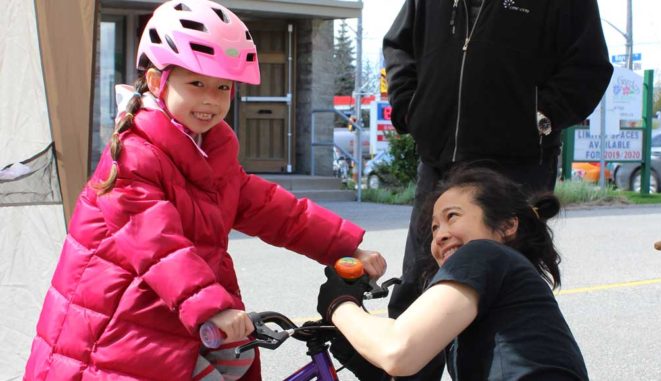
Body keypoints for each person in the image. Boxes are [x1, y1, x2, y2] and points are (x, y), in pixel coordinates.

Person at [23, 1, 386, 380]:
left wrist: (344, 246)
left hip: (169, 316)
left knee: (238, 359)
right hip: (113, 329)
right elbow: (159, 245)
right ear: (155, 82)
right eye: (196, 83)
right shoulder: (132, 155)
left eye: (223, 87)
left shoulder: (209, 151)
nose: (211, 99)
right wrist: (212, 308)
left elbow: (273, 209)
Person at [382, 1, 612, 378]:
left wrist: (540, 117)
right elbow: (398, 45)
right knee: (418, 286)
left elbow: (589, 66)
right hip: (439, 160)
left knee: (498, 294)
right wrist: (410, 107)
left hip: (515, 163)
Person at [317, 165, 588, 380]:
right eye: (434, 228)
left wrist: (339, 302)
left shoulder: (484, 253)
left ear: (507, 226)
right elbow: (403, 353)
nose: (440, 236)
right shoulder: (503, 285)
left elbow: (397, 349)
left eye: (452, 217)